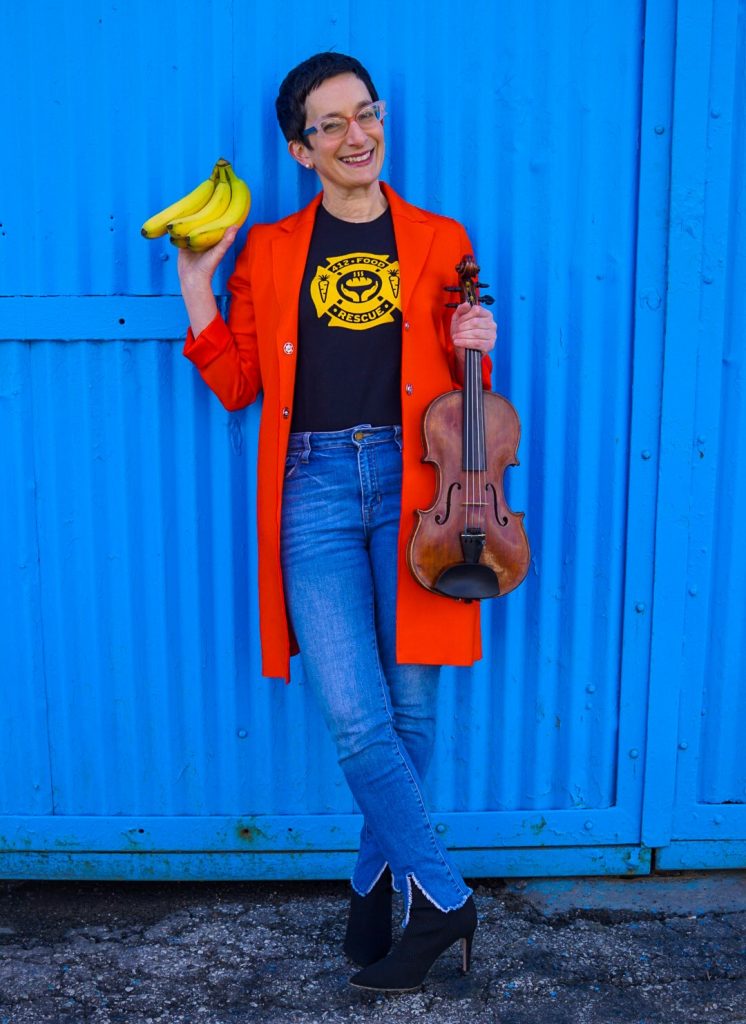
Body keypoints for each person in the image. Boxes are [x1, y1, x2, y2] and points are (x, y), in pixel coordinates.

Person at [178, 52, 497, 993]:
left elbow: (463, 385)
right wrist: (201, 285)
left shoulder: (441, 240)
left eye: (368, 113)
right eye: (333, 125)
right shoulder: (272, 251)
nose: (359, 135)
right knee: (359, 720)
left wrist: (478, 341)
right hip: (313, 484)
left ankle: (372, 882)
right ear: (300, 150)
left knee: (412, 712)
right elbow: (240, 384)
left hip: (419, 486)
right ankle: (443, 895)